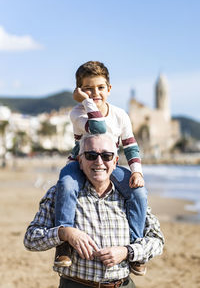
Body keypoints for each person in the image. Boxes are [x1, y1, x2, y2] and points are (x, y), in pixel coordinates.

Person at [24, 133, 164, 288]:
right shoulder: (60, 194)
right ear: (80, 161)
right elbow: (31, 239)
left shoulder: (130, 196)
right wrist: (64, 233)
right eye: (91, 155)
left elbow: (157, 241)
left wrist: (127, 251)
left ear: (115, 161)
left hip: (123, 284)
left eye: (106, 156)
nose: (99, 162)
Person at [55, 61, 147, 275]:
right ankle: (65, 245)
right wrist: (87, 102)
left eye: (100, 87)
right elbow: (98, 127)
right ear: (79, 90)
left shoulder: (121, 115)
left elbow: (131, 146)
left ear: (109, 89)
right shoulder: (77, 112)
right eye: (88, 88)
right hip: (81, 162)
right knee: (66, 185)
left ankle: (136, 248)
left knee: (139, 193)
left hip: (109, 165)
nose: (95, 92)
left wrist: (137, 172)